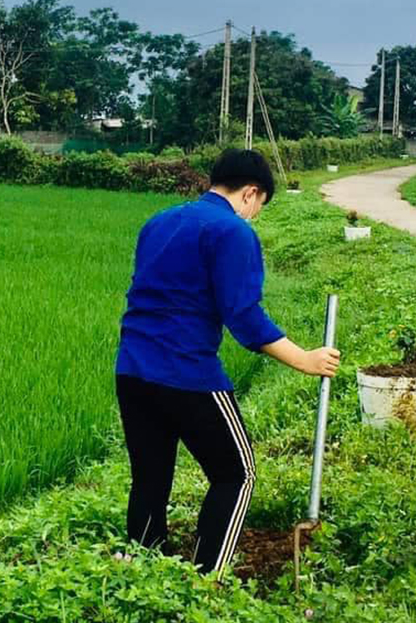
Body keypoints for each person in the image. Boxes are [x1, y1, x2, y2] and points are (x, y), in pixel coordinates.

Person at [115, 149, 341, 581]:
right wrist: (305, 360)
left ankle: (142, 570)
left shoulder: (159, 222)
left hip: (132, 371)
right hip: (188, 376)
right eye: (259, 207)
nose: (254, 216)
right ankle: (206, 579)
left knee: (150, 477)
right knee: (236, 473)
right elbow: (244, 317)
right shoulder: (232, 231)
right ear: (251, 193)